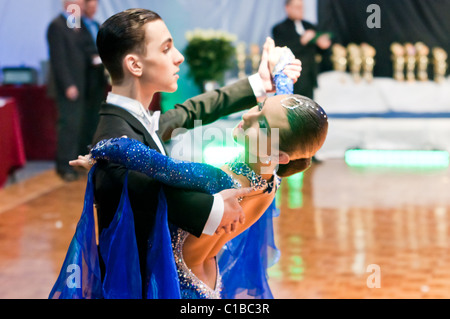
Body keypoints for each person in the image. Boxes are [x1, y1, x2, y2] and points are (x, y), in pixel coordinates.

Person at [48, 8, 302, 299]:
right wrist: (216, 207)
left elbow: (190, 111)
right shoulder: (115, 139)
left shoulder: (132, 119)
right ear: (135, 64)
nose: (179, 57)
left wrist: (260, 83)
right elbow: (158, 194)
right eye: (167, 48)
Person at [70, 91, 328, 298]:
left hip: (179, 287)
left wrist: (98, 152)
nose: (248, 116)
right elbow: (288, 109)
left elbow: (142, 157)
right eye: (259, 106)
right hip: (210, 281)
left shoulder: (217, 180)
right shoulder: (272, 182)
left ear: (280, 154)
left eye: (261, 122)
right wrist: (280, 68)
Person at [272, 0, 332, 99]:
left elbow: (318, 51)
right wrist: (302, 41)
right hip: (291, 78)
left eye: (302, 7)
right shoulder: (279, 29)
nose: (300, 10)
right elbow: (282, 50)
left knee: (308, 108)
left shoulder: (309, 26)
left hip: (309, 77)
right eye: (297, 7)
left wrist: (323, 45)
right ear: (288, 8)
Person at [79, 0, 109, 155]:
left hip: (98, 79)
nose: (93, 8)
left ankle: (94, 150)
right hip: (84, 79)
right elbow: (76, 49)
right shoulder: (76, 25)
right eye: (90, 5)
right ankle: (82, 151)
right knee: (84, 119)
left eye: (95, 5)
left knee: (96, 117)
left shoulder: (97, 25)